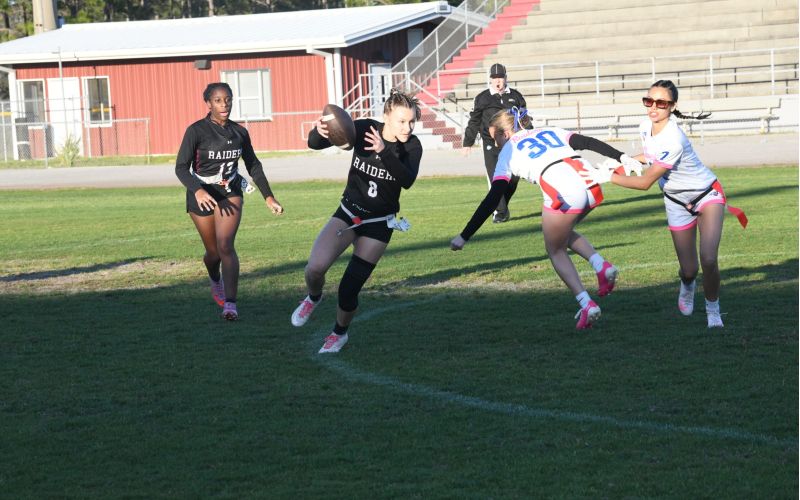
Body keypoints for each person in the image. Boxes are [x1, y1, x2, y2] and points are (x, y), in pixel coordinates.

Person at [451, 107, 642, 329]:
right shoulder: (549, 130)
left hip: (564, 190)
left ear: (506, 133)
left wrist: (465, 235)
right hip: (591, 181)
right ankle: (601, 266)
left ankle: (586, 304)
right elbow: (587, 142)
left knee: (555, 249)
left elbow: (493, 198)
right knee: (562, 233)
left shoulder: (507, 151)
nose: (495, 144)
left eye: (496, 138)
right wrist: (622, 156)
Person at [583, 80, 747, 329]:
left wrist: (608, 177)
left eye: (661, 103)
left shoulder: (674, 138)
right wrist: (623, 162)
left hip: (706, 194)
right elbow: (651, 156)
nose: (653, 107)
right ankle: (687, 284)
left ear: (672, 106)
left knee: (708, 259)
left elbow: (645, 182)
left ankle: (713, 310)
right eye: (649, 101)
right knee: (689, 270)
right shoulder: (645, 126)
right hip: (675, 200)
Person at [291, 89, 423, 353]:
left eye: (411, 122)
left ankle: (339, 334)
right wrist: (320, 132)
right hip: (348, 212)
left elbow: (407, 180)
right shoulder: (364, 128)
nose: (407, 127)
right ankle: (313, 297)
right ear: (386, 116)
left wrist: (384, 151)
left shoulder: (412, 146)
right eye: (401, 121)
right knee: (314, 268)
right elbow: (314, 144)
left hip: (379, 223)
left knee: (348, 289)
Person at [175, 82, 284, 321]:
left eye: (228, 100)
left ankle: (230, 304)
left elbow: (253, 165)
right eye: (218, 100)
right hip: (201, 194)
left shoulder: (239, 132)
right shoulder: (196, 131)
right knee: (213, 253)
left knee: (225, 245)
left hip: (230, 190)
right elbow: (181, 168)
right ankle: (215, 279)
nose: (224, 105)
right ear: (208, 103)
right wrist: (198, 191)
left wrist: (268, 196)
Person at [462, 63, 527, 223]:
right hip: (491, 143)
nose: (498, 81)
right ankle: (500, 212)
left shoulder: (516, 96)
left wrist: (529, 135)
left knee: (514, 177)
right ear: (490, 79)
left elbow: (524, 119)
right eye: (494, 78)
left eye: (500, 77)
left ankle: (501, 205)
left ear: (506, 78)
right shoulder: (482, 98)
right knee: (496, 178)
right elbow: (474, 121)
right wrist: (468, 142)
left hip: (512, 143)